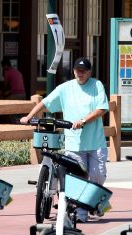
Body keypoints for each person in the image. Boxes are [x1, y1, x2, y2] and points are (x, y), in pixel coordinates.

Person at [20, 57, 109, 222]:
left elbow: (101, 109)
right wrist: (29, 116)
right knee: (79, 179)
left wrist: (83, 121)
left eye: (84, 71)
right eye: (77, 70)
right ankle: (81, 215)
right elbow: (45, 102)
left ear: (90, 72)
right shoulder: (65, 88)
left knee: (98, 176)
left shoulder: (96, 85)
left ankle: (95, 202)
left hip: (96, 142)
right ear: (73, 70)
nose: (80, 73)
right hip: (74, 143)